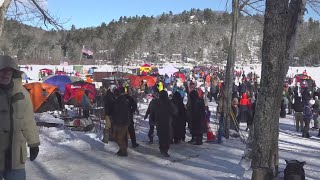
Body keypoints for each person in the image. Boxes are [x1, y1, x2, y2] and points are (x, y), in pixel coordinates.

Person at [0, 55, 40, 180]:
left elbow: (28, 121)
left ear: (14, 73)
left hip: (15, 155)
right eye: (2, 70)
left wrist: (33, 143)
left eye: (9, 70)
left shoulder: (22, 94)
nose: (6, 74)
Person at [154, 90, 177, 157]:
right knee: (167, 136)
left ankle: (162, 148)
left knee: (161, 135)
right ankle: (165, 150)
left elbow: (153, 110)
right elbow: (174, 111)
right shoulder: (169, 102)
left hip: (159, 121)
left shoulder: (156, 102)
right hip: (167, 121)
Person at [111, 89, 130, 157]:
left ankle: (124, 151)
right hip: (120, 122)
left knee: (119, 137)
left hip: (121, 122)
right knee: (120, 137)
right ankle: (122, 149)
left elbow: (120, 112)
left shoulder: (120, 101)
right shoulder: (120, 101)